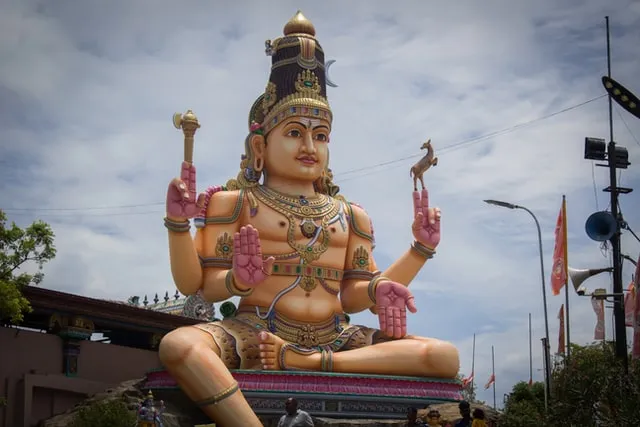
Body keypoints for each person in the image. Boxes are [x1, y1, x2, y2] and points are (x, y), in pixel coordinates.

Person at [158, 10, 460, 426]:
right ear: (261, 146)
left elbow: (355, 295)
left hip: (335, 339)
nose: (310, 146)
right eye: (295, 132)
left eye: (320, 136)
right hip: (254, 331)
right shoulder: (236, 203)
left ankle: (312, 362)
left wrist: (419, 253)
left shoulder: (350, 216)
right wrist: (201, 248)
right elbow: (197, 287)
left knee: (443, 356)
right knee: (180, 347)